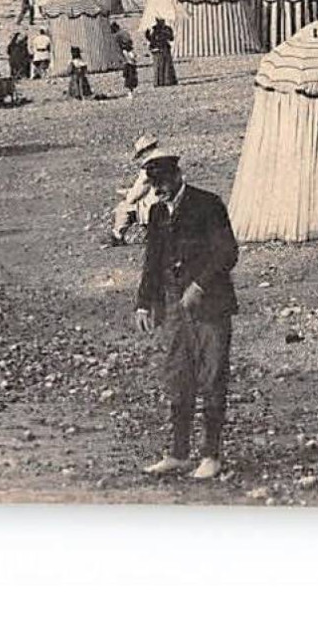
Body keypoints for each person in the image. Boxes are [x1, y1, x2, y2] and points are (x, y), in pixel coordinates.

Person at [135, 150, 239, 481]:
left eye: (163, 182)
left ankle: (211, 455)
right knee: (178, 377)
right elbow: (152, 260)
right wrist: (143, 302)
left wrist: (199, 285)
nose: (158, 190)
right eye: (153, 184)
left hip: (210, 306)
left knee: (212, 376)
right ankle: (178, 453)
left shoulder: (208, 205)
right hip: (173, 309)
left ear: (178, 176)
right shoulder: (155, 212)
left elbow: (227, 252)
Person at [109, 135, 164, 246]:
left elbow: (137, 192)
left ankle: (117, 236)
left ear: (145, 150)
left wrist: (128, 194)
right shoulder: (168, 159)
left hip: (158, 206)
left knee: (124, 207)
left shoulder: (150, 165)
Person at [146, 18, 177, 88]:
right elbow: (150, 39)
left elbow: (171, 38)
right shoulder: (156, 29)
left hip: (161, 49)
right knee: (163, 66)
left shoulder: (164, 29)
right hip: (160, 49)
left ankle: (163, 81)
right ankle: (164, 81)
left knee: (162, 66)